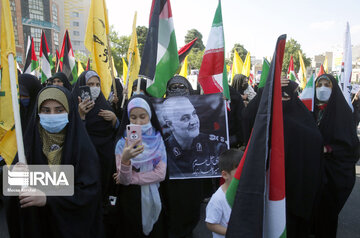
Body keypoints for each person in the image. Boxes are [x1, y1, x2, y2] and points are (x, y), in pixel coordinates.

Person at [4, 86, 103, 238]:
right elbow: (13, 198)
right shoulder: (28, 146)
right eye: (45, 110)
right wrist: (15, 178)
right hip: (37, 226)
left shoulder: (83, 148)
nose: (52, 115)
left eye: (59, 110)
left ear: (69, 111)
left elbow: (88, 193)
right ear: (38, 113)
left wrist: (48, 199)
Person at [113, 94, 167, 237]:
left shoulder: (158, 140)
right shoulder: (121, 143)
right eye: (133, 117)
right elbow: (123, 181)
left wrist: (133, 178)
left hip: (153, 195)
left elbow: (161, 174)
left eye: (143, 116)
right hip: (131, 200)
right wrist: (125, 160)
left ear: (150, 116)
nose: (138, 122)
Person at [313, 74, 359, 237]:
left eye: (327, 85)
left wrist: (329, 149)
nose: (322, 88)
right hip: (312, 173)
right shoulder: (310, 109)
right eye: (319, 85)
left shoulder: (343, 112)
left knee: (326, 217)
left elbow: (351, 147)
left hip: (332, 175)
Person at [281, 79, 324, 237]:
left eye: (286, 97)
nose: (282, 101)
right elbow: (247, 116)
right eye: (278, 96)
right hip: (276, 186)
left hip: (299, 183)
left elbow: (315, 141)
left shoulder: (303, 117)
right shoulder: (269, 117)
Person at [72, 70, 118, 203]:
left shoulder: (104, 105)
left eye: (97, 84)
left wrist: (115, 119)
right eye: (90, 84)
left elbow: (116, 133)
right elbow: (73, 136)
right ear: (82, 85)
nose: (95, 88)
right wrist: (81, 116)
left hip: (105, 161)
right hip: (85, 162)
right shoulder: (72, 106)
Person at [162, 96, 225, 177]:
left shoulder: (215, 146)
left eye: (194, 114)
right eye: (185, 118)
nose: (193, 121)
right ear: (170, 124)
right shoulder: (162, 151)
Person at [205, 149, 243, 238]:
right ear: (225, 175)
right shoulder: (218, 199)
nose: (244, 175)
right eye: (239, 172)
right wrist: (232, 232)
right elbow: (211, 224)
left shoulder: (246, 191)